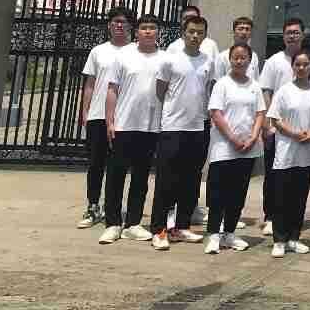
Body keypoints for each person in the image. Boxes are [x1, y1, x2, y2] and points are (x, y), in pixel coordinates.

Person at [149, 13, 215, 249]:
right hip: (173, 128)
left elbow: (208, 90)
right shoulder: (170, 60)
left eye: (199, 32)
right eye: (191, 32)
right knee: (166, 180)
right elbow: (160, 90)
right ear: (183, 34)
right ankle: (159, 229)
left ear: (205, 36)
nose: (195, 36)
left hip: (198, 127)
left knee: (191, 179)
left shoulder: (208, 61)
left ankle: (182, 226)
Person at [100, 15, 167, 244]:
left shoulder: (165, 60)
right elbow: (112, 90)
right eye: (143, 28)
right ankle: (112, 223)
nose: (148, 31)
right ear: (136, 32)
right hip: (124, 124)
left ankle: (133, 223)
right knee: (116, 175)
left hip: (151, 127)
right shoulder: (124, 56)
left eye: (152, 28)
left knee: (141, 177)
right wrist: (110, 122)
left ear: (158, 32)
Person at [204, 42, 265, 254]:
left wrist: (253, 137)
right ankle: (214, 234)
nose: (239, 61)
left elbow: (260, 113)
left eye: (243, 58)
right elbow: (216, 113)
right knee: (218, 192)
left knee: (238, 193)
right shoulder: (222, 84)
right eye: (235, 58)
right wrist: (233, 139)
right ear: (229, 60)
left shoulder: (254, 86)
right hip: (224, 148)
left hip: (248, 148)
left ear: (250, 60)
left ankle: (229, 233)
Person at [78, 6, 132, 229]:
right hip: (98, 116)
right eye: (115, 21)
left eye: (123, 21)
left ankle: (113, 208)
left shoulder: (135, 52)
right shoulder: (98, 51)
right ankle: (92, 206)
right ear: (109, 25)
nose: (119, 25)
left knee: (118, 166)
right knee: (95, 164)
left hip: (123, 118)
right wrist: (85, 110)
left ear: (130, 26)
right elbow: (90, 83)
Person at [267, 46, 310, 258]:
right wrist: (295, 134)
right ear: (293, 67)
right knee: (282, 197)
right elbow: (275, 119)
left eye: (305, 64)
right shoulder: (284, 91)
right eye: (297, 64)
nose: (301, 68)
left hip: (306, 152)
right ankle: (279, 240)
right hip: (286, 152)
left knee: (299, 198)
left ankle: (293, 238)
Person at [259, 16, 307, 236]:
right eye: (288, 32)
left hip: (301, 131)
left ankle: (292, 217)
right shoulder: (274, 61)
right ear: (283, 36)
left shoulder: (309, 62)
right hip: (277, 128)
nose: (292, 36)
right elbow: (266, 92)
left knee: (297, 177)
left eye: (296, 32)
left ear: (303, 35)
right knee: (274, 175)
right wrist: (269, 124)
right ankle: (271, 216)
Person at [215, 17, 260, 81]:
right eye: (240, 29)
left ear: (251, 33)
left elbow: (256, 80)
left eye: (247, 29)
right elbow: (218, 80)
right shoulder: (222, 56)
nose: (244, 32)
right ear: (233, 32)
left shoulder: (254, 56)